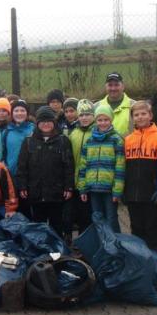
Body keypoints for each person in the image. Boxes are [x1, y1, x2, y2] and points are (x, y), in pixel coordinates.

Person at [16, 106, 75, 242]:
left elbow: (69, 166)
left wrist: (68, 187)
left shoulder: (63, 141)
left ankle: (58, 252)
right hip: (36, 192)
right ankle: (41, 251)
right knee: (38, 225)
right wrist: (23, 186)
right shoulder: (29, 141)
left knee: (56, 225)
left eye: (49, 121)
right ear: (37, 124)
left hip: (57, 192)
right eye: (42, 121)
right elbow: (22, 166)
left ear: (54, 123)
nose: (46, 124)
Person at [123, 101, 157, 254]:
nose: (140, 117)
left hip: (152, 196)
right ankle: (140, 264)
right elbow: (125, 169)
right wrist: (125, 190)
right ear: (132, 118)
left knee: (154, 231)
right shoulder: (128, 140)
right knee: (136, 230)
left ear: (150, 115)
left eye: (143, 114)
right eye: (136, 115)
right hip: (133, 196)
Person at [77, 103, 125, 234]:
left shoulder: (116, 140)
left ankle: (116, 246)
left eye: (106, 120)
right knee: (97, 218)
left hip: (109, 189)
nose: (103, 123)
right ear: (95, 121)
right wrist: (82, 188)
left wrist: (117, 191)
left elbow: (120, 167)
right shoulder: (89, 141)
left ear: (111, 120)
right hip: (93, 188)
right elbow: (83, 166)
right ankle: (101, 245)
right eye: (100, 120)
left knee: (111, 218)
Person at [2, 99, 35, 217]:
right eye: (16, 110)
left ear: (27, 113)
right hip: (13, 175)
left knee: (30, 208)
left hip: (31, 175)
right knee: (16, 207)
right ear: (12, 113)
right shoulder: (7, 131)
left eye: (22, 110)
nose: (19, 113)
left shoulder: (34, 130)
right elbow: (3, 152)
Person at [67, 99, 95, 233]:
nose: (84, 118)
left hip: (92, 181)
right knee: (78, 215)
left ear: (93, 116)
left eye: (88, 114)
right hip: (76, 180)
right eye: (82, 115)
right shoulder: (74, 134)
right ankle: (81, 244)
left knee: (89, 215)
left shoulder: (97, 133)